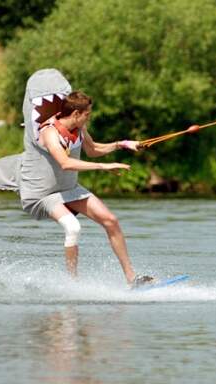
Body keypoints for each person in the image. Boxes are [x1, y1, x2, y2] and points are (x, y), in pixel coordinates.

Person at [20, 90, 154, 288]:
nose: (88, 118)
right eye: (87, 115)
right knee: (73, 227)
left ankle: (131, 279)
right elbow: (65, 163)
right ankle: (72, 286)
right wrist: (105, 167)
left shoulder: (79, 128)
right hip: (43, 194)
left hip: (67, 188)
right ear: (75, 114)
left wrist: (123, 144)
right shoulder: (49, 132)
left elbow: (92, 150)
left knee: (110, 220)